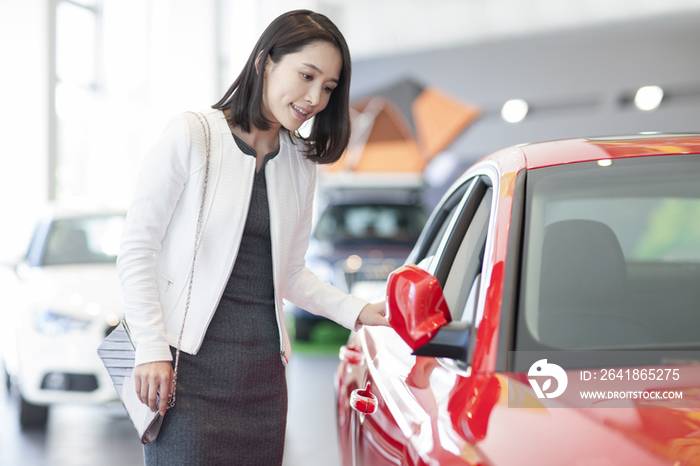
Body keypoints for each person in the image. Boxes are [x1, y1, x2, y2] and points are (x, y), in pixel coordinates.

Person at [116, 9, 388, 465]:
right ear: (265, 60)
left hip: (263, 380)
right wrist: (150, 348)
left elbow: (292, 273)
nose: (314, 97)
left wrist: (358, 310)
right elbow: (137, 249)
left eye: (328, 87)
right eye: (306, 75)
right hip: (185, 373)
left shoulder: (300, 162)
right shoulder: (193, 134)